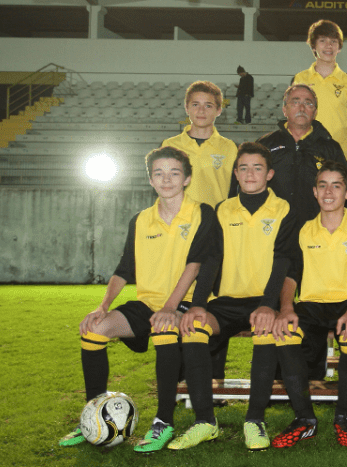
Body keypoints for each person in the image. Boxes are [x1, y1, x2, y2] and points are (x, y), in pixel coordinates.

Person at [58, 147, 217, 452]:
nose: (166, 179)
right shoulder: (141, 219)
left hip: (183, 302)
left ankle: (163, 422)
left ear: (187, 178)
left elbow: (195, 264)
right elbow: (124, 268)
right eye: (159, 173)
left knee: (164, 328)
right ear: (151, 180)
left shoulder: (202, 212)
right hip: (147, 304)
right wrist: (102, 306)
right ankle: (93, 415)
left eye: (174, 173)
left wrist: (170, 307)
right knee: (93, 331)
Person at [167, 143, 316, 452]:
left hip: (264, 299)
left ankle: (254, 420)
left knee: (265, 330)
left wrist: (268, 305)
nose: (250, 174)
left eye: (257, 168)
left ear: (270, 174)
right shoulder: (222, 209)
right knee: (193, 327)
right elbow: (211, 260)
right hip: (226, 301)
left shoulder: (285, 209)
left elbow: (284, 261)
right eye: (244, 168)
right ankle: (205, 421)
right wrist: (197, 305)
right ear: (235, 173)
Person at [286, 160, 347, 446]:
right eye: (322, 185)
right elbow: (291, 275)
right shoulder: (303, 230)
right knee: (285, 334)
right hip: (311, 304)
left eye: (336, 186)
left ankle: (343, 417)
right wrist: (286, 308)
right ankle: (304, 419)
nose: (328, 192)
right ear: (314, 192)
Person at [249, 84, 347, 227]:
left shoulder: (331, 149)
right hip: (271, 229)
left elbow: (344, 190)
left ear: (315, 112)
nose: (301, 108)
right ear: (284, 109)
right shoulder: (265, 145)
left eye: (308, 103)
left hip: (316, 229)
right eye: (295, 102)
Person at [293, 19, 347, 162]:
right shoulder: (299, 80)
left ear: (339, 47)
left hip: (338, 159)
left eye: (333, 41)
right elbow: (292, 120)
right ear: (313, 46)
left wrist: (340, 154)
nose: (328, 46)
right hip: (307, 157)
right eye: (322, 40)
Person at [162, 81, 237, 208]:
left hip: (216, 217)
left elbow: (235, 190)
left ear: (219, 110)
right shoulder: (170, 145)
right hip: (179, 217)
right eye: (195, 104)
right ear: (187, 108)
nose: (201, 111)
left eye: (208, 106)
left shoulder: (230, 147)